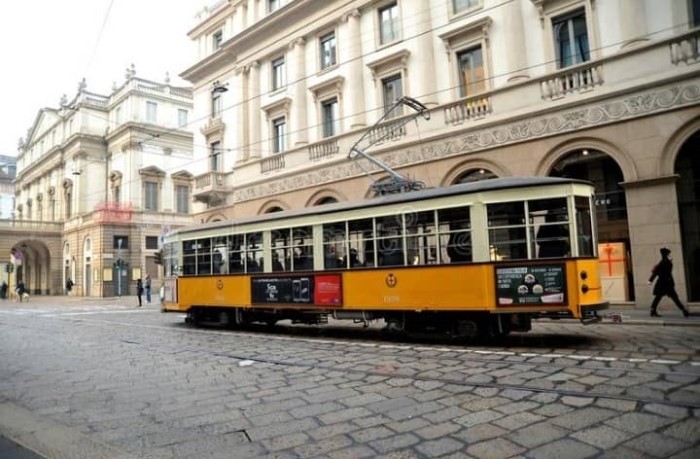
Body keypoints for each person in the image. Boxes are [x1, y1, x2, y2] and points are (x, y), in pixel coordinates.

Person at [648, 247, 690, 318]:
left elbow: (655, 272)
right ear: (666, 255)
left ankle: (653, 310)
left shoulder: (662, 263)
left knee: (658, 297)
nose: (670, 255)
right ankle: (684, 310)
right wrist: (650, 280)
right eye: (669, 254)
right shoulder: (666, 263)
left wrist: (650, 280)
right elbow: (656, 272)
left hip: (662, 283)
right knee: (674, 297)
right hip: (666, 284)